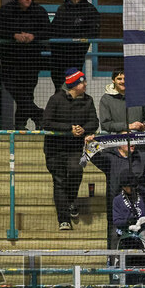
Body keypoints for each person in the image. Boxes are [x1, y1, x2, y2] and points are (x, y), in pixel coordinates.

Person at [42, 69, 98, 230]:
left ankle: (71, 200)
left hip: (74, 148)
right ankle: (63, 219)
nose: (85, 84)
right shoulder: (56, 99)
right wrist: (69, 128)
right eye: (82, 82)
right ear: (73, 85)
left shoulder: (88, 100)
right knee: (59, 181)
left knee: (76, 171)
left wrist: (83, 129)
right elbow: (46, 122)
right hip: (55, 149)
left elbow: (94, 122)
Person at [0, 0, 50, 129]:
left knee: (28, 94)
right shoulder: (6, 10)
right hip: (10, 60)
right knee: (14, 89)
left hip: (31, 60)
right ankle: (38, 114)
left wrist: (33, 36)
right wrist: (14, 35)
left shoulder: (39, 11)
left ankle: (20, 126)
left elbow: (48, 31)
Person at [48, 0, 100, 90]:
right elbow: (54, 30)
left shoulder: (90, 10)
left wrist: (77, 39)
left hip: (77, 55)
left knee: (74, 85)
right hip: (59, 55)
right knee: (59, 85)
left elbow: (93, 32)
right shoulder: (62, 9)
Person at [99, 68, 145, 134]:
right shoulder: (106, 99)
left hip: (140, 138)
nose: (123, 81)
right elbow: (106, 124)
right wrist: (129, 126)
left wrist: (143, 126)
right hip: (116, 139)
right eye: (119, 79)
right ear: (113, 80)